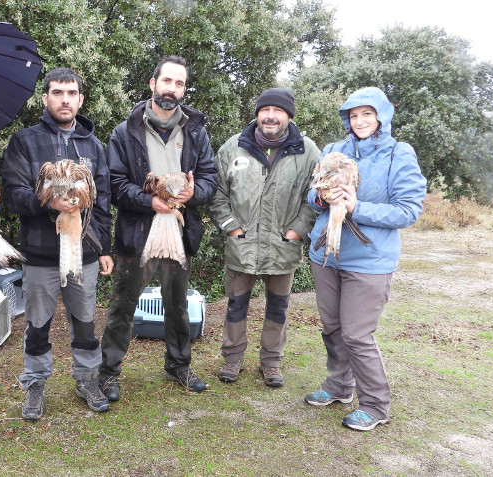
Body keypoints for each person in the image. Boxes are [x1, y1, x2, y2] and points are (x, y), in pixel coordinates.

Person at [303, 87, 426, 431]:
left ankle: (375, 405)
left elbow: (408, 210)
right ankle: (339, 386)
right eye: (353, 115)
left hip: (369, 260)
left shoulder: (398, 154)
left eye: (366, 114)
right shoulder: (333, 150)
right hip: (326, 254)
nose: (359, 121)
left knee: (357, 334)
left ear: (381, 116)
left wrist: (357, 206)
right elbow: (311, 196)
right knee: (333, 327)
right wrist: (321, 197)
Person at [97, 55, 217, 400]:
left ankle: (178, 365)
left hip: (178, 232)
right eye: (167, 81)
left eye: (179, 84)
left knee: (177, 303)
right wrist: (149, 201)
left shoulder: (196, 132)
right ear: (153, 84)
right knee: (123, 303)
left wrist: (195, 194)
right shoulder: (125, 132)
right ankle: (108, 372)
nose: (172, 89)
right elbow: (115, 183)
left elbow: (210, 179)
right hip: (139, 231)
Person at [1, 67, 113, 420]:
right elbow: (11, 195)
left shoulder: (94, 146)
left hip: (86, 253)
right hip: (41, 254)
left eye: (71, 93)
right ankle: (35, 385)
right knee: (37, 324)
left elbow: (105, 200)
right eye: (57, 92)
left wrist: (105, 248)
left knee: (84, 320)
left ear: (81, 100)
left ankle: (87, 379)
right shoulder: (25, 141)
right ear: (45, 98)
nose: (65, 99)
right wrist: (46, 202)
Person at [208, 88, 320, 387]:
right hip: (241, 246)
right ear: (257, 114)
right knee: (236, 305)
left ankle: (271, 362)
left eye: (278, 111)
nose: (270, 116)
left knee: (278, 308)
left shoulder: (308, 152)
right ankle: (232, 358)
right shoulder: (233, 148)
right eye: (265, 110)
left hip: (284, 248)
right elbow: (217, 194)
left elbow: (315, 198)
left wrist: (297, 230)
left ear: (289, 116)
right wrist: (232, 227)